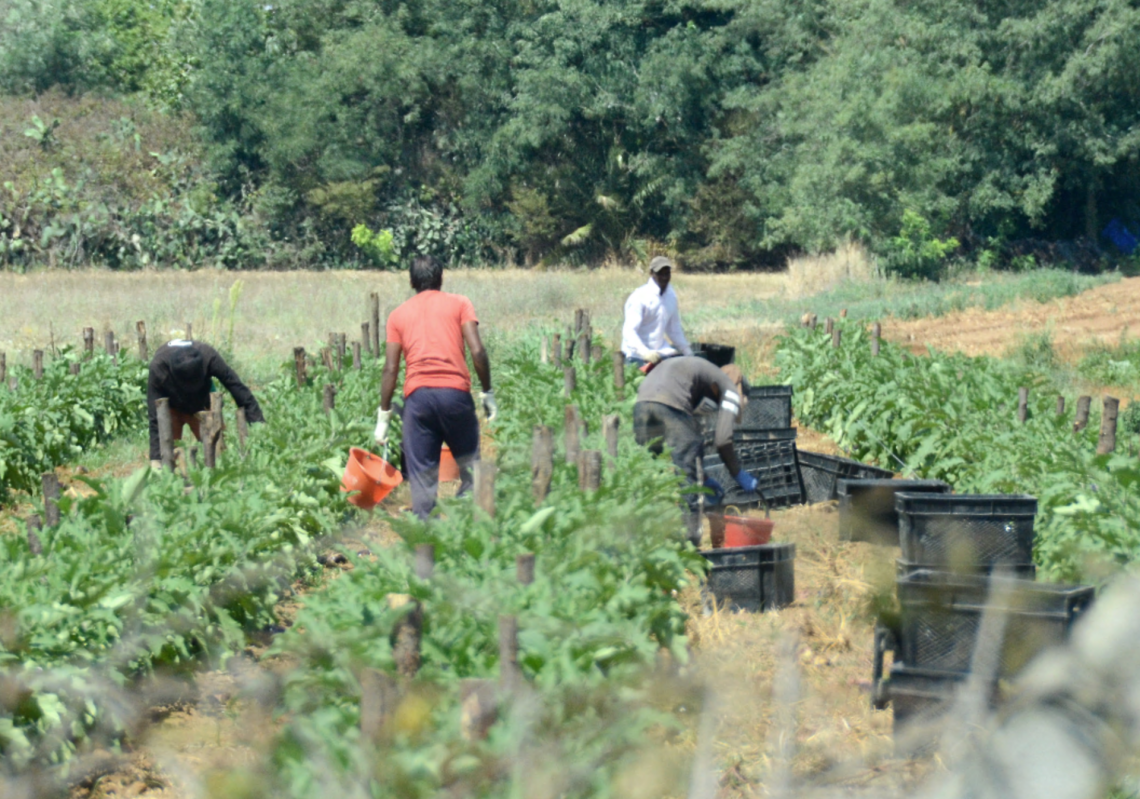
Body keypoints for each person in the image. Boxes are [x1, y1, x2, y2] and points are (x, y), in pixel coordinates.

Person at [375, 255, 496, 519]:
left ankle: (426, 543)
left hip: (418, 401)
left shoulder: (397, 315)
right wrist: (488, 392)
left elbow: (391, 369)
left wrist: (383, 416)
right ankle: (467, 530)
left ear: (411, 282)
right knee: (471, 469)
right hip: (456, 396)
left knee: (422, 477)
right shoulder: (460, 304)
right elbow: (477, 352)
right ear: (441, 278)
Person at [633, 357, 756, 547]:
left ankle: (642, 535)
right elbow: (723, 440)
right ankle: (689, 544)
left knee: (648, 470)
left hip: (642, 401)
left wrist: (705, 478)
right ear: (742, 394)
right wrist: (737, 473)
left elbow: (689, 442)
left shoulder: (704, 383)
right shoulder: (730, 389)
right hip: (669, 401)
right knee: (688, 483)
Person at [147, 339, 265, 467]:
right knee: (169, 456)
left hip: (202, 404)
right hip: (173, 407)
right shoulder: (159, 368)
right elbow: (155, 415)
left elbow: (236, 386)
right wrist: (156, 458)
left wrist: (259, 426)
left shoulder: (208, 356)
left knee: (218, 453)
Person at [621, 255, 693, 367]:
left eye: (667, 273)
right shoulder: (640, 297)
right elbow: (629, 332)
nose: (664, 277)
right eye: (660, 273)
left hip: (660, 353)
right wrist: (645, 352)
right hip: (636, 356)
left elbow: (674, 329)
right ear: (651, 273)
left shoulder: (671, 296)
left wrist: (688, 352)